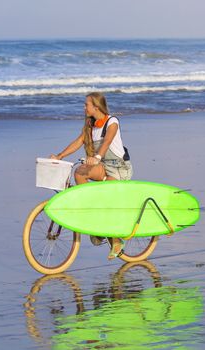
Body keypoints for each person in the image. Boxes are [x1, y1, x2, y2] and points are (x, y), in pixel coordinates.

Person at [50, 92, 133, 260]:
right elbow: (78, 141)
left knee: (103, 198)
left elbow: (108, 141)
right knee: (79, 172)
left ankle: (116, 240)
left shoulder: (112, 122)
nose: (84, 107)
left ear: (96, 106)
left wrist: (96, 157)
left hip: (119, 169)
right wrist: (59, 156)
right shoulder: (91, 126)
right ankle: (95, 216)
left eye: (86, 104)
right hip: (103, 166)